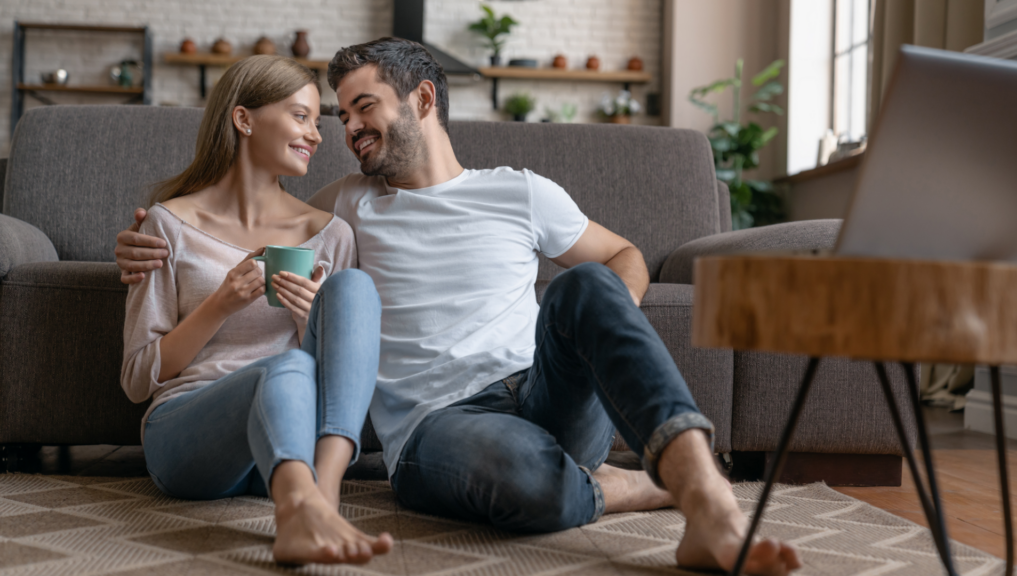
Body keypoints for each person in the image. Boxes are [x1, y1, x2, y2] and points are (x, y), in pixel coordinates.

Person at [117, 39, 801, 575]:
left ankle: (708, 505)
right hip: (439, 425)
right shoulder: (350, 202)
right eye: (339, 114)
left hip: (543, 389)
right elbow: (258, 221)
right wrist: (151, 236)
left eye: (363, 107)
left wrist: (607, 319)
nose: (347, 128)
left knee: (587, 285)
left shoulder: (522, 191)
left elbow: (623, 255)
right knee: (530, 483)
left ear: (421, 99)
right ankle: (615, 487)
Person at [119, 55, 393, 565]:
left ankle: (312, 500)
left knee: (351, 288)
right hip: (192, 438)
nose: (314, 134)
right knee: (285, 366)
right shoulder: (168, 225)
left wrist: (313, 321)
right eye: (299, 116)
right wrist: (220, 303)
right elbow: (137, 380)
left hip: (294, 434)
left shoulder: (331, 233)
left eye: (317, 120)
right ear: (244, 119)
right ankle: (300, 506)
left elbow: (347, 375)